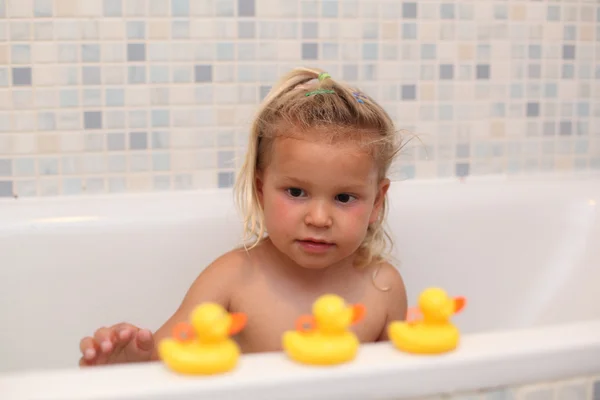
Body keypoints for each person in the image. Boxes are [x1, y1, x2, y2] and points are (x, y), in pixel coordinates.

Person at [78, 67, 408, 367]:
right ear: (261, 189)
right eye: (295, 192)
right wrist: (128, 366)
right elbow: (167, 362)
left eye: (344, 197)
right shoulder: (233, 279)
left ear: (377, 202)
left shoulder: (382, 288)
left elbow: (400, 384)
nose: (319, 218)